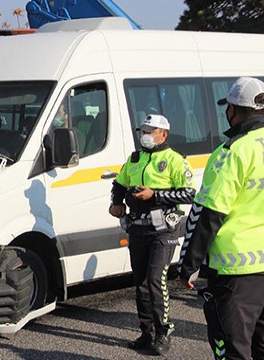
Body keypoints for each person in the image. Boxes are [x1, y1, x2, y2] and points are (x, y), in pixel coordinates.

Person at [178, 77, 264, 360]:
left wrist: (188, 264)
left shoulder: (232, 151)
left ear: (233, 110)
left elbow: (208, 212)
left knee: (233, 349)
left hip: (235, 271)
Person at [109, 114, 196, 355]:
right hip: (137, 227)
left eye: (150, 131)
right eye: (143, 131)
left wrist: (155, 195)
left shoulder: (175, 160)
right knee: (141, 283)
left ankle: (163, 332)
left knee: (156, 280)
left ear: (163, 134)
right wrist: (116, 203)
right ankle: (146, 332)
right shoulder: (135, 158)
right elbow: (119, 183)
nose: (144, 135)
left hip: (163, 230)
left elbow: (189, 194)